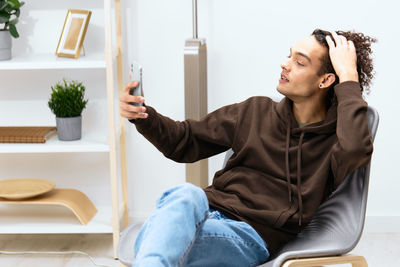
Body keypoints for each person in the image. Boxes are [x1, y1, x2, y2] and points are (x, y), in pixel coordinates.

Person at [119, 29, 376, 267]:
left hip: (249, 236)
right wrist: (142, 115)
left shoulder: (338, 139)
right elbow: (183, 140)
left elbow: (355, 151)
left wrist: (349, 78)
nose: (284, 64)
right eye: (289, 55)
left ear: (326, 80)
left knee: (159, 237)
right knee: (187, 196)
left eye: (299, 62)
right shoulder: (255, 111)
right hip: (204, 211)